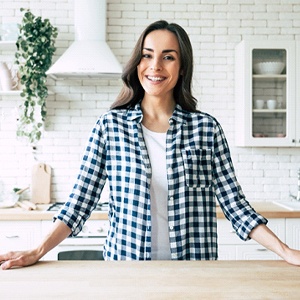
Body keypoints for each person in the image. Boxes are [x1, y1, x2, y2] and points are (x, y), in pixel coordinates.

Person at [1, 20, 300, 269]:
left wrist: (285, 251)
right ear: (138, 62)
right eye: (147, 55)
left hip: (194, 272)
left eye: (168, 56)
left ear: (182, 67)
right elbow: (79, 204)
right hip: (128, 271)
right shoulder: (110, 127)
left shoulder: (206, 129)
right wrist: (36, 251)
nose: (155, 65)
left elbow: (236, 207)